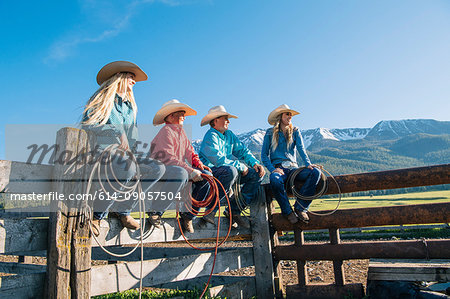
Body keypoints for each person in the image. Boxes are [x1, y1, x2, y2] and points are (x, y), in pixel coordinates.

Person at [82, 61, 165, 236]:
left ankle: (124, 209)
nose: (134, 82)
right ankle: (97, 215)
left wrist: (133, 154)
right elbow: (88, 126)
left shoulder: (130, 108)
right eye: (131, 77)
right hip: (102, 152)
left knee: (158, 168)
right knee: (127, 167)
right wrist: (117, 131)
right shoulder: (101, 99)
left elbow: (131, 139)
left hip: (124, 155)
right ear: (119, 77)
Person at [148, 99, 212, 233]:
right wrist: (190, 170)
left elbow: (190, 152)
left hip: (174, 169)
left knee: (208, 177)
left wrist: (199, 165)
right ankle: (156, 211)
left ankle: (189, 215)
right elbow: (169, 159)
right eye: (181, 114)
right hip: (160, 170)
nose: (184, 116)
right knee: (181, 174)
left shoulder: (181, 133)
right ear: (171, 116)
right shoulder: (166, 132)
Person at [199, 105, 265, 228]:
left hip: (228, 171)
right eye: (225, 118)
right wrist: (240, 166)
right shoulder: (210, 136)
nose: (228, 121)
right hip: (212, 172)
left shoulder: (229, 135)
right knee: (231, 171)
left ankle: (234, 210)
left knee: (256, 174)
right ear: (215, 120)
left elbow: (243, 151)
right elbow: (218, 160)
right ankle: (211, 210)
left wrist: (255, 163)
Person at [261, 104, 322, 224]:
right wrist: (272, 169)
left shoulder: (295, 131)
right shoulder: (270, 133)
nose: (290, 116)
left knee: (315, 172)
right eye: (287, 114)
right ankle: (287, 211)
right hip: (279, 168)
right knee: (275, 179)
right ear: (280, 116)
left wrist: (308, 164)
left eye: (290, 114)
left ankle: (300, 207)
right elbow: (264, 155)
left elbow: (301, 149)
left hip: (294, 168)